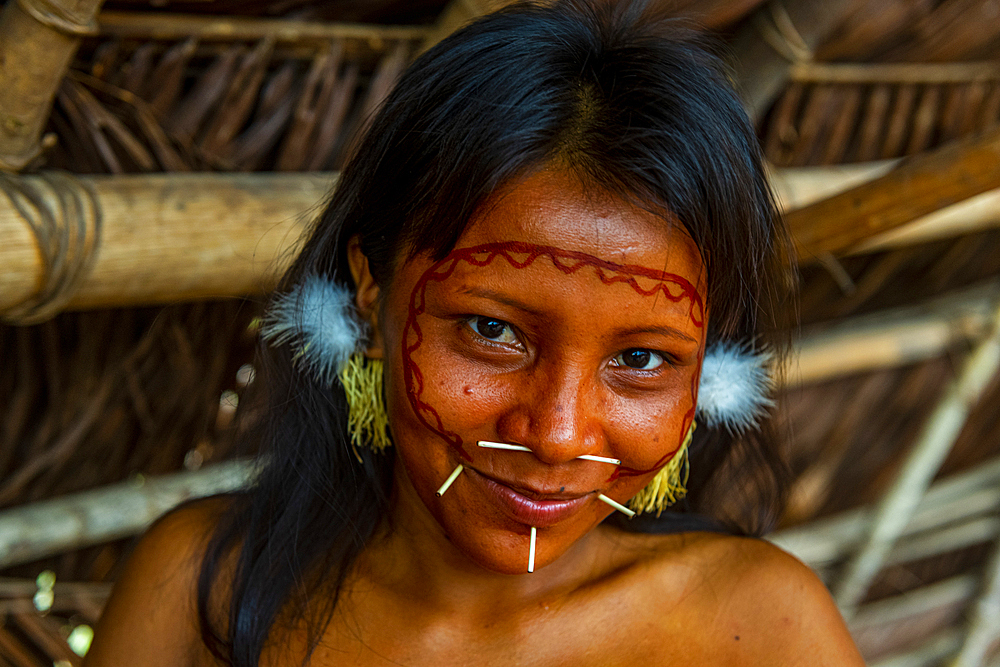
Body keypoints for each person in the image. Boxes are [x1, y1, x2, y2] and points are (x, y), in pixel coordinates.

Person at [84, 1, 864, 664]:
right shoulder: (201, 588)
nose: (557, 436)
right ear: (370, 293)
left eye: (640, 358)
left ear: (709, 373)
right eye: (493, 330)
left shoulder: (761, 629)